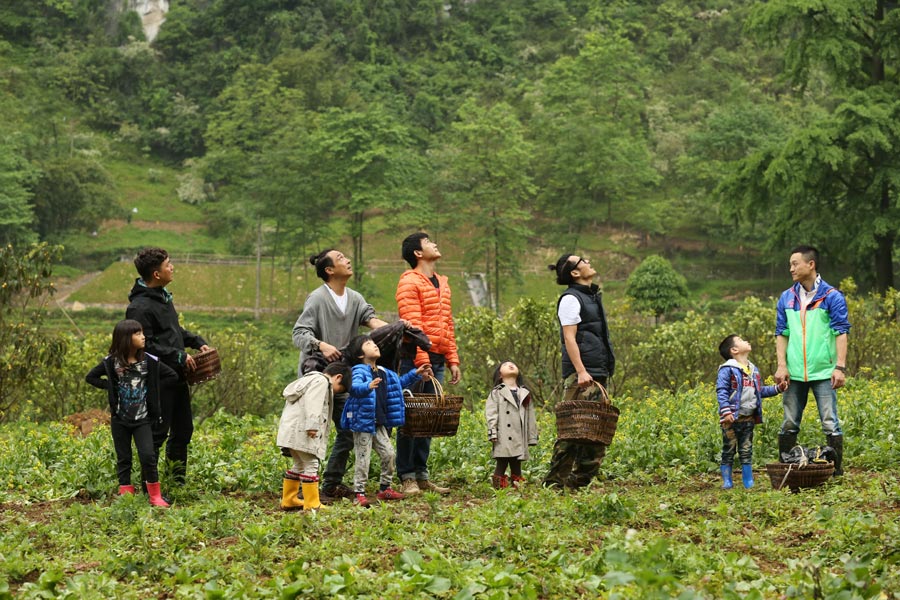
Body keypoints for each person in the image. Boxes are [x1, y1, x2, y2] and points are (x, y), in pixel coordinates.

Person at [291, 249, 388, 501]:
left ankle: (331, 483)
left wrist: (397, 327)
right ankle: (303, 486)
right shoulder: (317, 299)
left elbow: (370, 319)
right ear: (329, 270)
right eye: (341, 258)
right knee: (314, 429)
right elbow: (299, 333)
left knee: (347, 430)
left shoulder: (354, 298)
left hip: (345, 378)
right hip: (319, 377)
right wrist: (321, 344)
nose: (347, 260)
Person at [126, 248, 209, 487]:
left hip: (177, 376)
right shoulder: (139, 308)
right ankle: (149, 485)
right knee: (157, 433)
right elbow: (145, 345)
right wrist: (177, 355)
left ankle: (176, 482)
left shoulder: (163, 298)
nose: (172, 268)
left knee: (183, 431)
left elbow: (174, 332)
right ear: (156, 273)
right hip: (157, 379)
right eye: (168, 265)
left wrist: (197, 342)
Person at [774, 245, 851, 476]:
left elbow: (841, 332)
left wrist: (839, 367)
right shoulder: (787, 297)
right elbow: (781, 332)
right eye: (790, 265)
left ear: (811, 264)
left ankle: (835, 472)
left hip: (824, 373)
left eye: (795, 263)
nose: (791, 269)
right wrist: (781, 365)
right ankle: (787, 467)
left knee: (830, 422)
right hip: (794, 373)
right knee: (789, 422)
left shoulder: (831, 296)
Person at [86, 319, 178, 507]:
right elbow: (91, 377)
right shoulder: (111, 362)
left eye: (142, 332)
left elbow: (172, 376)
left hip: (142, 419)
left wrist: (152, 388)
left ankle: (155, 496)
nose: (143, 337)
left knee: (148, 455)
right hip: (120, 419)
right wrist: (112, 387)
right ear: (125, 338)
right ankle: (126, 495)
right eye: (138, 334)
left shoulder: (149, 361)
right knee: (124, 458)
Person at [395, 233, 461, 496]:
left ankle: (422, 475)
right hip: (415, 358)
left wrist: (452, 359)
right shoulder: (409, 282)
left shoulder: (442, 283)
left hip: (438, 358)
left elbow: (448, 324)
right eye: (428, 241)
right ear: (418, 253)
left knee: (430, 418)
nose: (435, 243)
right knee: (412, 417)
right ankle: (406, 476)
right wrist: (422, 362)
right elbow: (413, 324)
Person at [542, 253, 615, 489]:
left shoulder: (592, 296)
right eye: (582, 260)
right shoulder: (571, 299)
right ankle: (554, 483)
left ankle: (578, 483)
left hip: (597, 370)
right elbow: (569, 338)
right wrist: (581, 371)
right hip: (583, 373)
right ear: (574, 273)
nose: (588, 260)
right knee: (572, 430)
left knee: (596, 430)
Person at [342, 334, 430, 507]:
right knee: (363, 457)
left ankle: (385, 488)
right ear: (360, 355)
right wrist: (367, 386)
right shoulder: (359, 370)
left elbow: (399, 383)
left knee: (389, 454)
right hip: (363, 422)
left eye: (374, 343)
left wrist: (416, 373)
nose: (374, 345)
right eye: (368, 344)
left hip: (379, 422)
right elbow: (353, 387)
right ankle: (358, 493)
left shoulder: (383, 371)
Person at [276, 362, 351, 511]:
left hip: (291, 431)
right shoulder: (321, 382)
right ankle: (312, 503)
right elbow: (313, 402)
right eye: (339, 389)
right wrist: (312, 425)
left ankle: (289, 499)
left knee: (299, 465)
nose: (335, 393)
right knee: (311, 465)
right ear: (338, 377)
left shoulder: (307, 380)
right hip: (302, 431)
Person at [716, 334, 785, 489]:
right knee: (729, 450)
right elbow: (722, 391)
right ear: (734, 350)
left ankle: (748, 481)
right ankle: (727, 481)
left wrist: (777, 389)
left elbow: (759, 391)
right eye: (741, 341)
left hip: (748, 418)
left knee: (746, 450)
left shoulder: (753, 370)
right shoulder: (728, 369)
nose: (746, 341)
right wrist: (726, 411)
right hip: (731, 418)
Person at [485, 360, 538, 489]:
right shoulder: (496, 392)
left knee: (516, 462)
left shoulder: (524, 393)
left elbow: (531, 417)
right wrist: (492, 431)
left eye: (513, 364)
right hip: (503, 433)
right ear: (500, 375)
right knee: (502, 461)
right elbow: (491, 413)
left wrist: (532, 436)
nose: (511, 365)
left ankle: (517, 488)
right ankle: (498, 489)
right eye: (505, 365)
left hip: (519, 435)